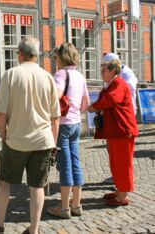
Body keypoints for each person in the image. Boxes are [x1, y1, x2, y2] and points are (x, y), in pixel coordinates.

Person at [0, 36, 60, 234]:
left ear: (20, 54)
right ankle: (33, 229)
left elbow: (0, 113)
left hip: (15, 140)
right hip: (43, 140)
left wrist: (3, 135)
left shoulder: (10, 75)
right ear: (36, 55)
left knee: (3, 182)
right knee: (37, 187)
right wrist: (53, 144)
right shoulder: (48, 77)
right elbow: (55, 118)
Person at [87, 55, 138, 206]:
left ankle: (122, 196)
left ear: (113, 70)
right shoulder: (111, 84)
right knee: (115, 162)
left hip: (123, 130)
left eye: (104, 70)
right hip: (116, 130)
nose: (101, 72)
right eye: (101, 69)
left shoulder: (118, 83)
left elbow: (112, 100)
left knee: (122, 163)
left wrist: (94, 107)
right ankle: (119, 190)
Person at [47, 42, 89, 219]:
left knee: (65, 166)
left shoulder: (61, 73)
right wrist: (75, 112)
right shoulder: (80, 75)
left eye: (56, 57)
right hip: (76, 124)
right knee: (75, 162)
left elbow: (55, 96)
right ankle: (76, 204)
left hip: (63, 125)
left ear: (62, 57)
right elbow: (86, 103)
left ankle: (64, 208)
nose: (55, 60)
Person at [102, 53, 138, 185]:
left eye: (106, 67)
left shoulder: (125, 74)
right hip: (114, 117)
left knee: (122, 154)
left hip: (124, 118)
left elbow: (130, 87)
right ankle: (117, 177)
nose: (103, 71)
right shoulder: (112, 78)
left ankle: (122, 182)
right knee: (113, 151)